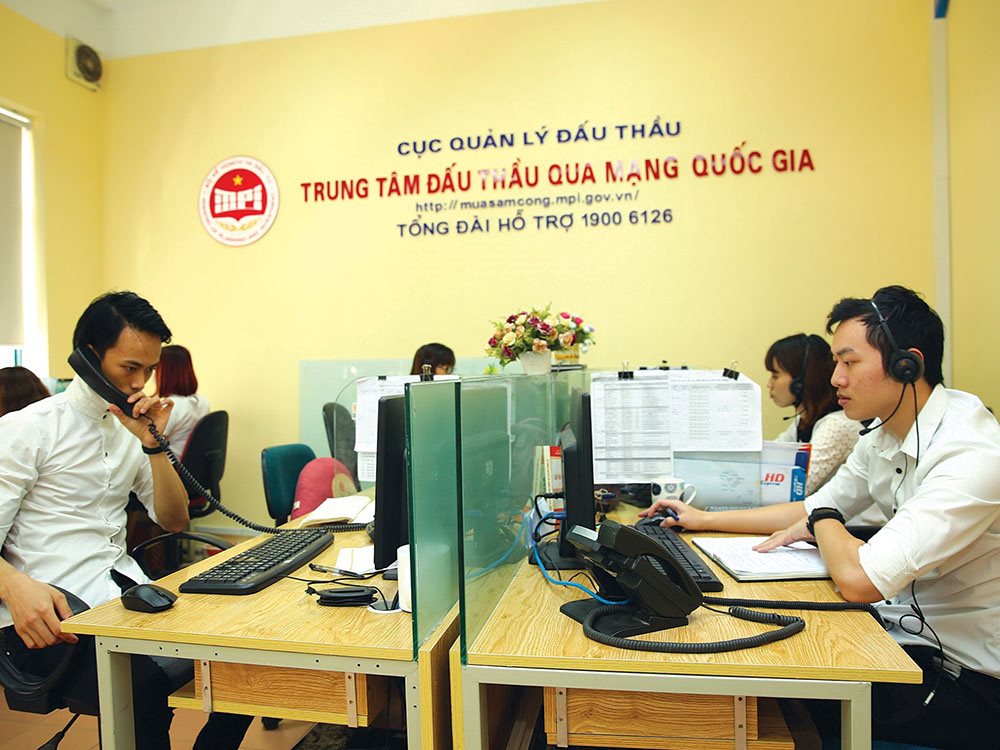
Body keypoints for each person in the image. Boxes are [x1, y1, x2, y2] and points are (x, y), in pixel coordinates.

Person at [641, 286, 1000, 749]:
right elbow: (810, 509)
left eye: (849, 362)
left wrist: (824, 520)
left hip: (964, 678)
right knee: (757, 676)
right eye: (835, 363)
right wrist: (703, 519)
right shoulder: (883, 433)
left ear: (906, 365)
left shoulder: (971, 454)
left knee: (767, 695)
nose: (835, 379)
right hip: (903, 639)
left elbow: (857, 578)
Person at [0, 291, 252, 749]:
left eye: (149, 370)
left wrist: (152, 445)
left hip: (121, 597)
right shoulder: (26, 430)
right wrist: (14, 585)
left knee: (249, 650)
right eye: (129, 368)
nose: (140, 384)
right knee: (145, 685)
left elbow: (174, 520)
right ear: (88, 358)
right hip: (49, 616)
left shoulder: (127, 430)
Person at [766, 333, 860, 496]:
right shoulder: (804, 421)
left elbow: (793, 488)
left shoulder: (837, 425)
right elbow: (767, 457)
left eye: (775, 376)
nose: (769, 384)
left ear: (799, 382)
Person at [155, 344, 210, 454]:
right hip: (190, 461)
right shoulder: (202, 401)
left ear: (163, 371)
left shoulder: (170, 406)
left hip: (170, 462)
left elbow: (151, 443)